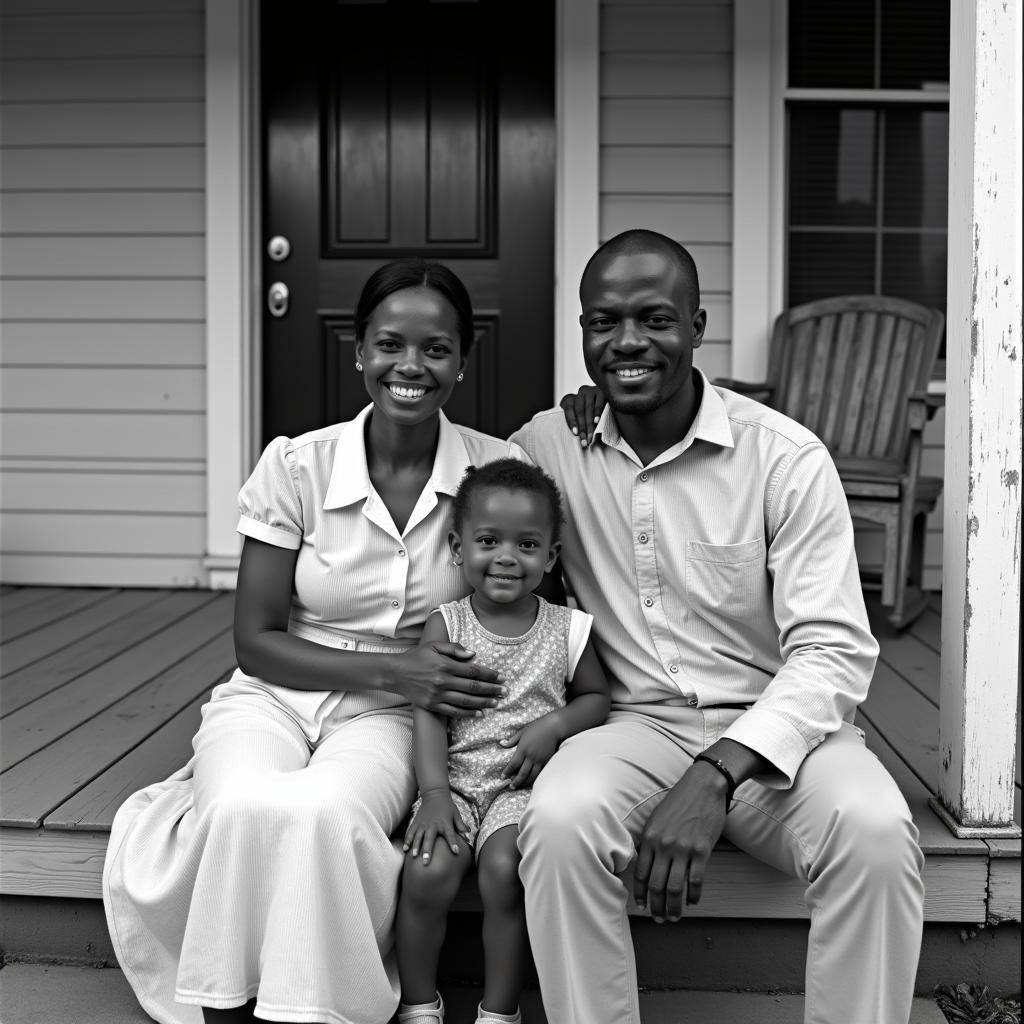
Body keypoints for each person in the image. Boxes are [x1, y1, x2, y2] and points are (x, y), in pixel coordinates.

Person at [511, 229, 926, 1024]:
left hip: (778, 734)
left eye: (654, 320)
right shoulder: (549, 448)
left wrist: (715, 773)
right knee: (559, 822)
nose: (627, 342)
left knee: (876, 836)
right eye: (603, 323)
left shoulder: (783, 459)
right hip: (632, 725)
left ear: (698, 328)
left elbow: (833, 650)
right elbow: (465, 515)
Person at [103, 257, 523, 1024]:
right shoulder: (296, 465)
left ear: (463, 360)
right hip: (278, 692)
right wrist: (404, 669)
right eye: (390, 344)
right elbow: (256, 642)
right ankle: (224, 1009)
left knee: (325, 812)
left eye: (436, 348)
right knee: (236, 806)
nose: (411, 366)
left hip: (398, 717)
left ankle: (309, 1012)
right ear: (358, 350)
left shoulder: (497, 470)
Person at [394, 459, 610, 1024]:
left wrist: (554, 726)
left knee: (505, 872)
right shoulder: (447, 625)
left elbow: (595, 700)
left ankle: (498, 1010)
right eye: (488, 540)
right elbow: (429, 716)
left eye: (528, 544)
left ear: (552, 556)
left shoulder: (567, 628)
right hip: (457, 786)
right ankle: (419, 1003)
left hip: (522, 788)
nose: (507, 557)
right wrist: (435, 793)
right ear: (458, 548)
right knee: (426, 870)